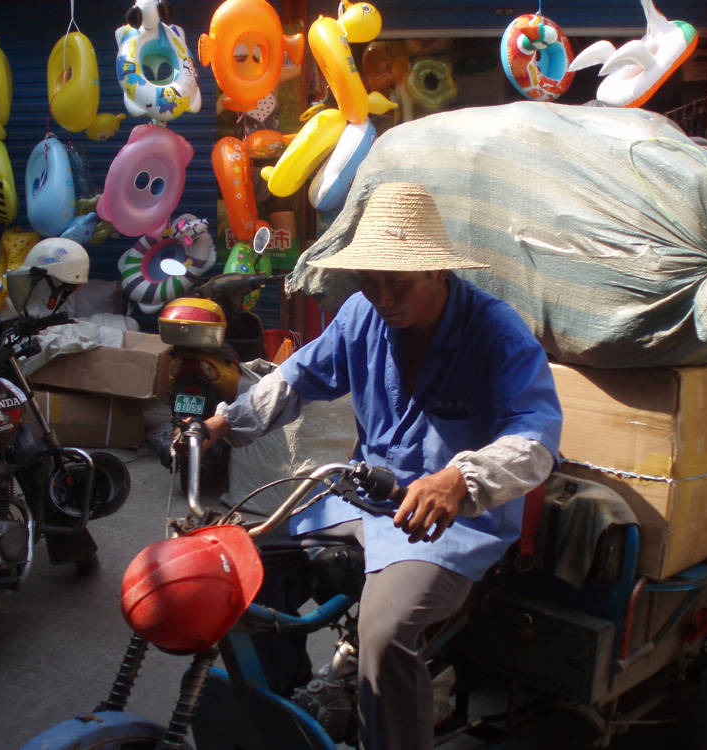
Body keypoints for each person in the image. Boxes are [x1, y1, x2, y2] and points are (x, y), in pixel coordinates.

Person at [201, 182, 563, 750]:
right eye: (371, 284)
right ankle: (294, 714)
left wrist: (459, 479)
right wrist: (221, 425)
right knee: (244, 574)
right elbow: (295, 379)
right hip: (361, 498)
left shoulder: (496, 332)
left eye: (399, 285)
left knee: (384, 631)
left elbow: (537, 438)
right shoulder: (360, 318)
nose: (384, 298)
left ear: (438, 273)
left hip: (451, 524)